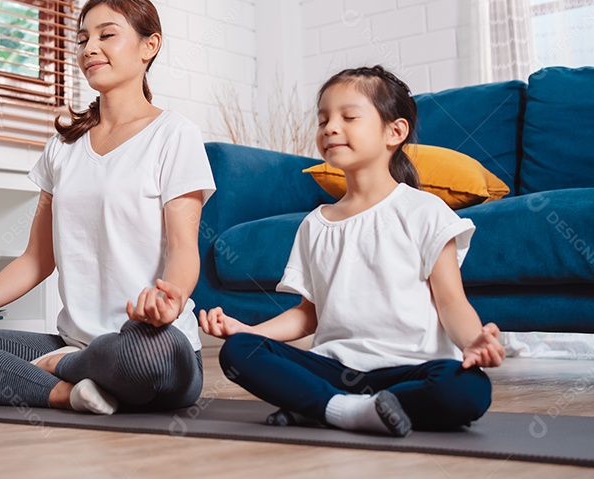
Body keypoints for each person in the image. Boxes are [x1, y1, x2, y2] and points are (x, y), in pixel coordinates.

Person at [0, 0, 216, 415]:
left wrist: (171, 300)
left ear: (150, 46)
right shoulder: (63, 146)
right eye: (82, 39)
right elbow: (37, 259)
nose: (90, 48)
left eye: (107, 35)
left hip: (152, 342)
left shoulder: (174, 134)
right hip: (76, 339)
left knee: (145, 356)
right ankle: (68, 392)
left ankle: (63, 368)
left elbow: (185, 247)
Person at [199, 66, 505, 436]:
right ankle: (347, 408)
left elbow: (451, 301)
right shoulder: (315, 224)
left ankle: (321, 406)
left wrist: (474, 343)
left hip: (412, 369)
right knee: (239, 353)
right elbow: (308, 315)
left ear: (395, 131)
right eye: (323, 119)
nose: (330, 128)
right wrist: (248, 330)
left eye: (349, 117)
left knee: (469, 389)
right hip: (335, 368)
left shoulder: (425, 211)